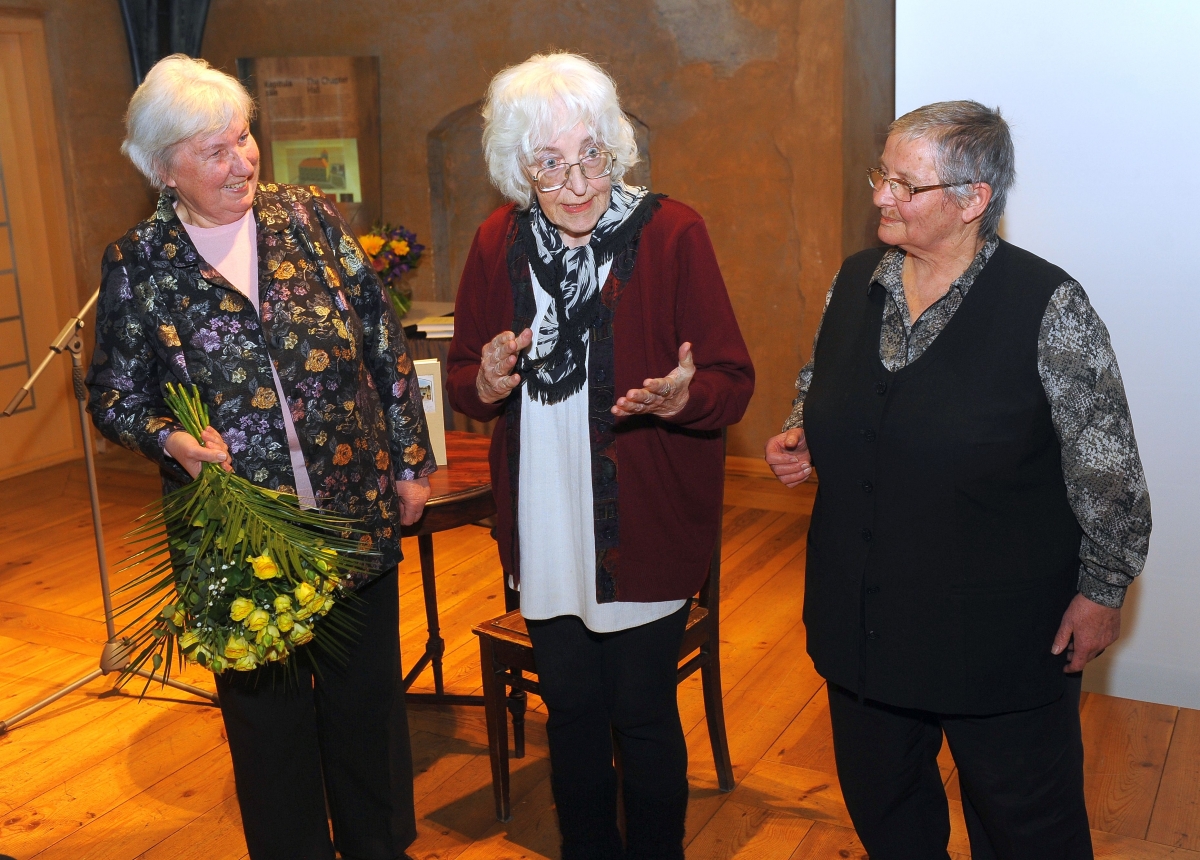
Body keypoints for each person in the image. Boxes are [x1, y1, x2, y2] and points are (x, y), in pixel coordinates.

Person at [765, 100, 1151, 860]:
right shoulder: (856, 281)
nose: (881, 196)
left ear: (974, 200)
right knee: (888, 814)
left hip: (999, 640)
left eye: (906, 186)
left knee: (1027, 832)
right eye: (881, 176)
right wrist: (803, 436)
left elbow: (1109, 472)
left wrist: (1103, 591)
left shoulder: (1049, 305)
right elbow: (822, 386)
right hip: (865, 626)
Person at [86, 55, 436, 860]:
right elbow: (111, 395)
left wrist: (410, 461)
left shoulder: (307, 216)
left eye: (243, 138)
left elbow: (381, 339)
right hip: (239, 542)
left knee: (366, 710)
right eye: (214, 151)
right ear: (163, 169)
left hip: (351, 513)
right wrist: (170, 439)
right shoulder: (139, 263)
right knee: (270, 731)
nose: (242, 161)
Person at [447, 52, 753, 860]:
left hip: (642, 526)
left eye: (592, 155)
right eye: (550, 163)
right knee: (572, 714)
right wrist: (484, 379)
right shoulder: (497, 242)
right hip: (545, 524)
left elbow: (731, 382)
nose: (578, 183)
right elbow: (465, 378)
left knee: (641, 715)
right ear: (518, 168)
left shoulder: (674, 233)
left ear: (616, 148)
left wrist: (682, 398)